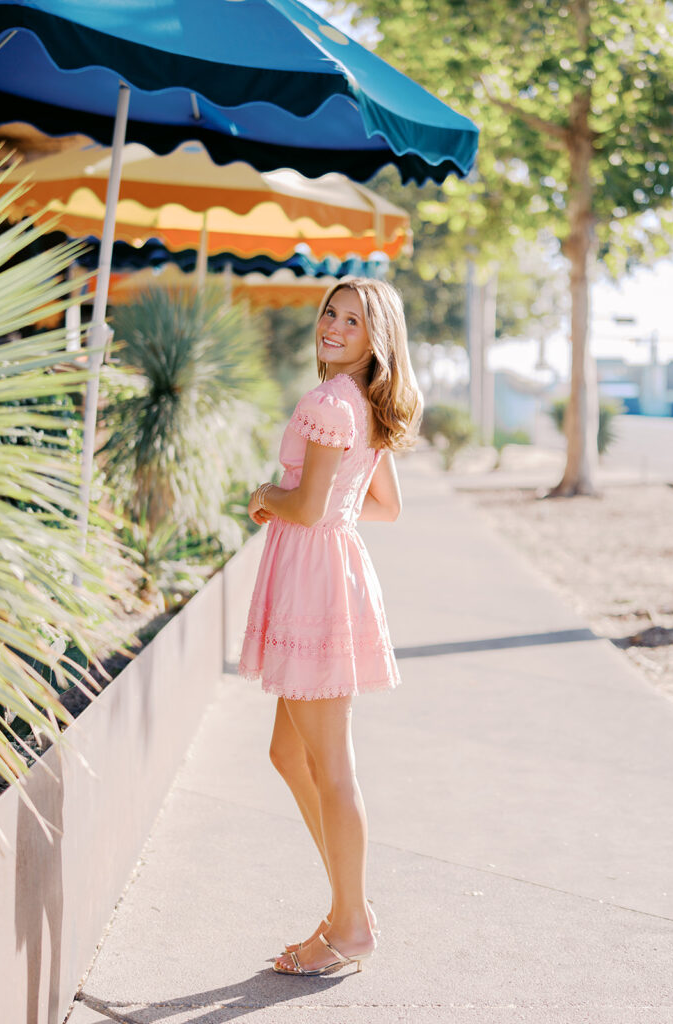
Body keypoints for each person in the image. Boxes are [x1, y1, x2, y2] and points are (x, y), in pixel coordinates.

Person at [238, 278, 421, 977]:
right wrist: (326, 507)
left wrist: (265, 495)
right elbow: (382, 507)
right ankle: (353, 907)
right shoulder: (363, 405)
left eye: (353, 320)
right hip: (328, 573)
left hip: (315, 582)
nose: (335, 326)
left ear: (378, 339)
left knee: (333, 767)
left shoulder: (328, 401)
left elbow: (307, 506)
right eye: (331, 313)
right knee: (290, 753)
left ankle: (349, 925)